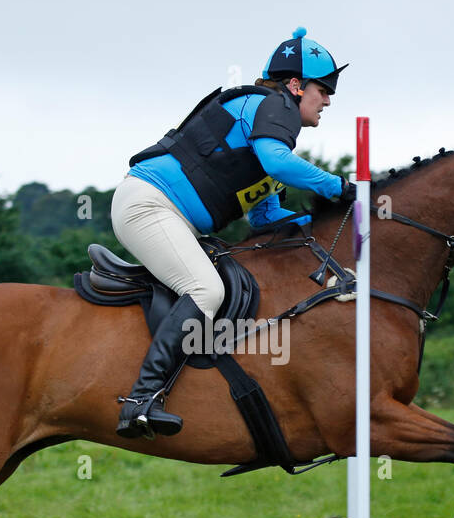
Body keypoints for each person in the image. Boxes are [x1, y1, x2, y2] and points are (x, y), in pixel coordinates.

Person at [111, 27, 356, 440]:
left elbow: (266, 220)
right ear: (295, 86)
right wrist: (339, 187)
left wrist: (323, 225)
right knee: (206, 290)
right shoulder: (270, 105)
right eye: (324, 88)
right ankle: (141, 399)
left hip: (169, 215)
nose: (329, 100)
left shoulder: (270, 131)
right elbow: (278, 163)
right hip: (149, 205)